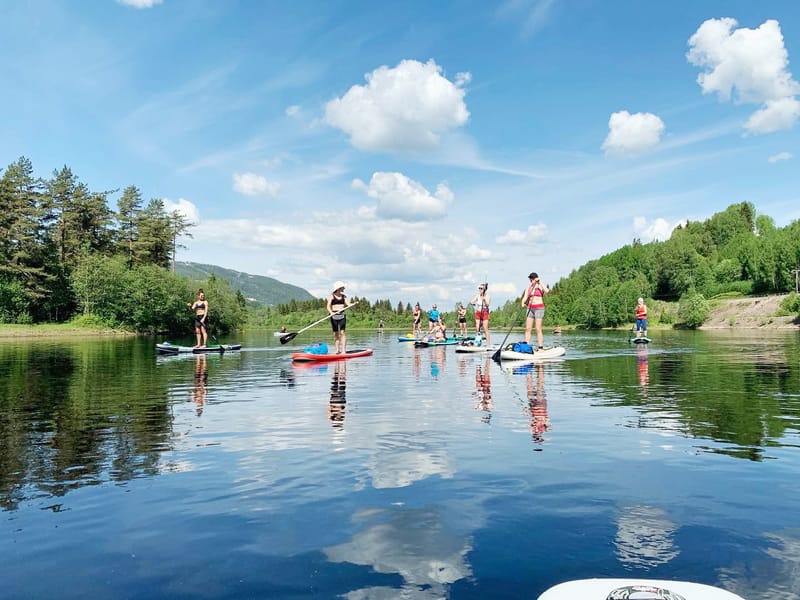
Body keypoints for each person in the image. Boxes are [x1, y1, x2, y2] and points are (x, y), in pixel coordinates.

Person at [521, 272, 548, 350]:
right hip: (530, 308)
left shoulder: (540, 286)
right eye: (530, 278)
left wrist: (540, 282)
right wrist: (522, 303)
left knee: (538, 328)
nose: (531, 280)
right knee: (528, 328)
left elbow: (547, 291)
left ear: (536, 278)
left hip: (539, 308)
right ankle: (527, 347)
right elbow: (525, 297)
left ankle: (540, 347)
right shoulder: (528, 288)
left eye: (532, 278)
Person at [327, 281, 355, 354]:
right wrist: (331, 312)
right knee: (335, 334)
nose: (344, 288)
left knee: (342, 333)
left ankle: (343, 351)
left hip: (342, 316)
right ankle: (337, 350)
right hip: (334, 316)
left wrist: (352, 304)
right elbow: (328, 306)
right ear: (339, 288)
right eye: (343, 287)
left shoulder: (344, 296)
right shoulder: (331, 296)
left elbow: (348, 304)